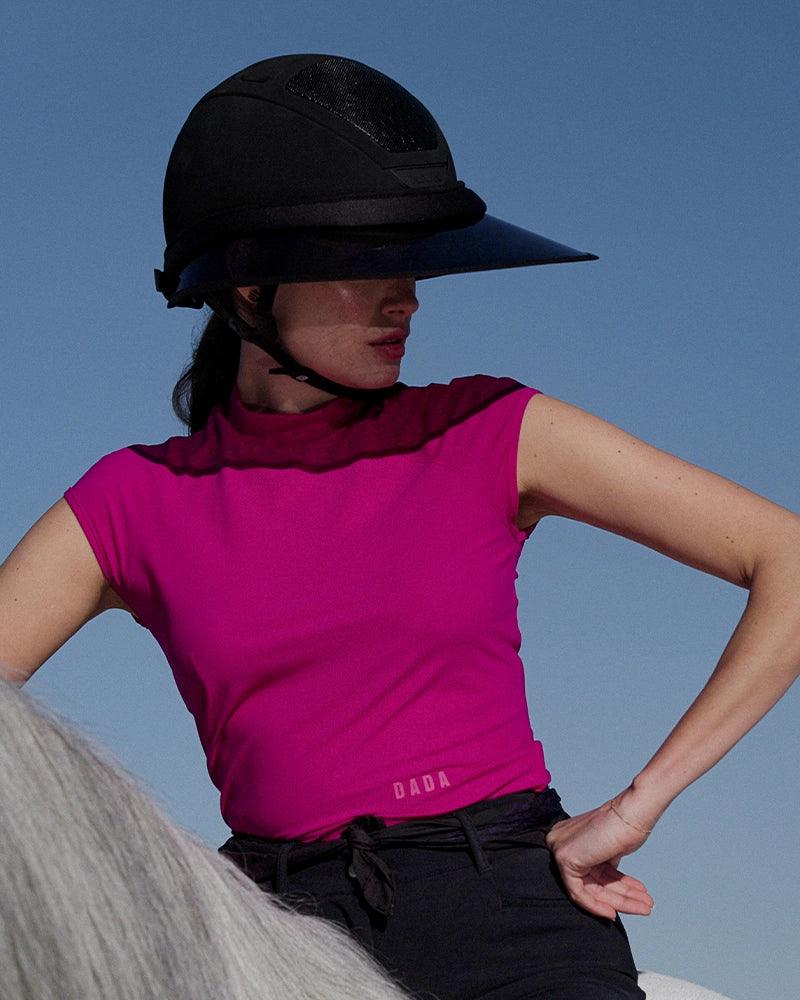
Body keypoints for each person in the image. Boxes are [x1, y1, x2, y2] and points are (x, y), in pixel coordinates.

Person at [1, 53, 797, 1000]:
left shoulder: (489, 430)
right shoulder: (131, 500)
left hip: (514, 925)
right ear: (249, 291)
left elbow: (784, 553)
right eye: (365, 263)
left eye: (412, 261)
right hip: (266, 939)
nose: (408, 296)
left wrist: (637, 806)